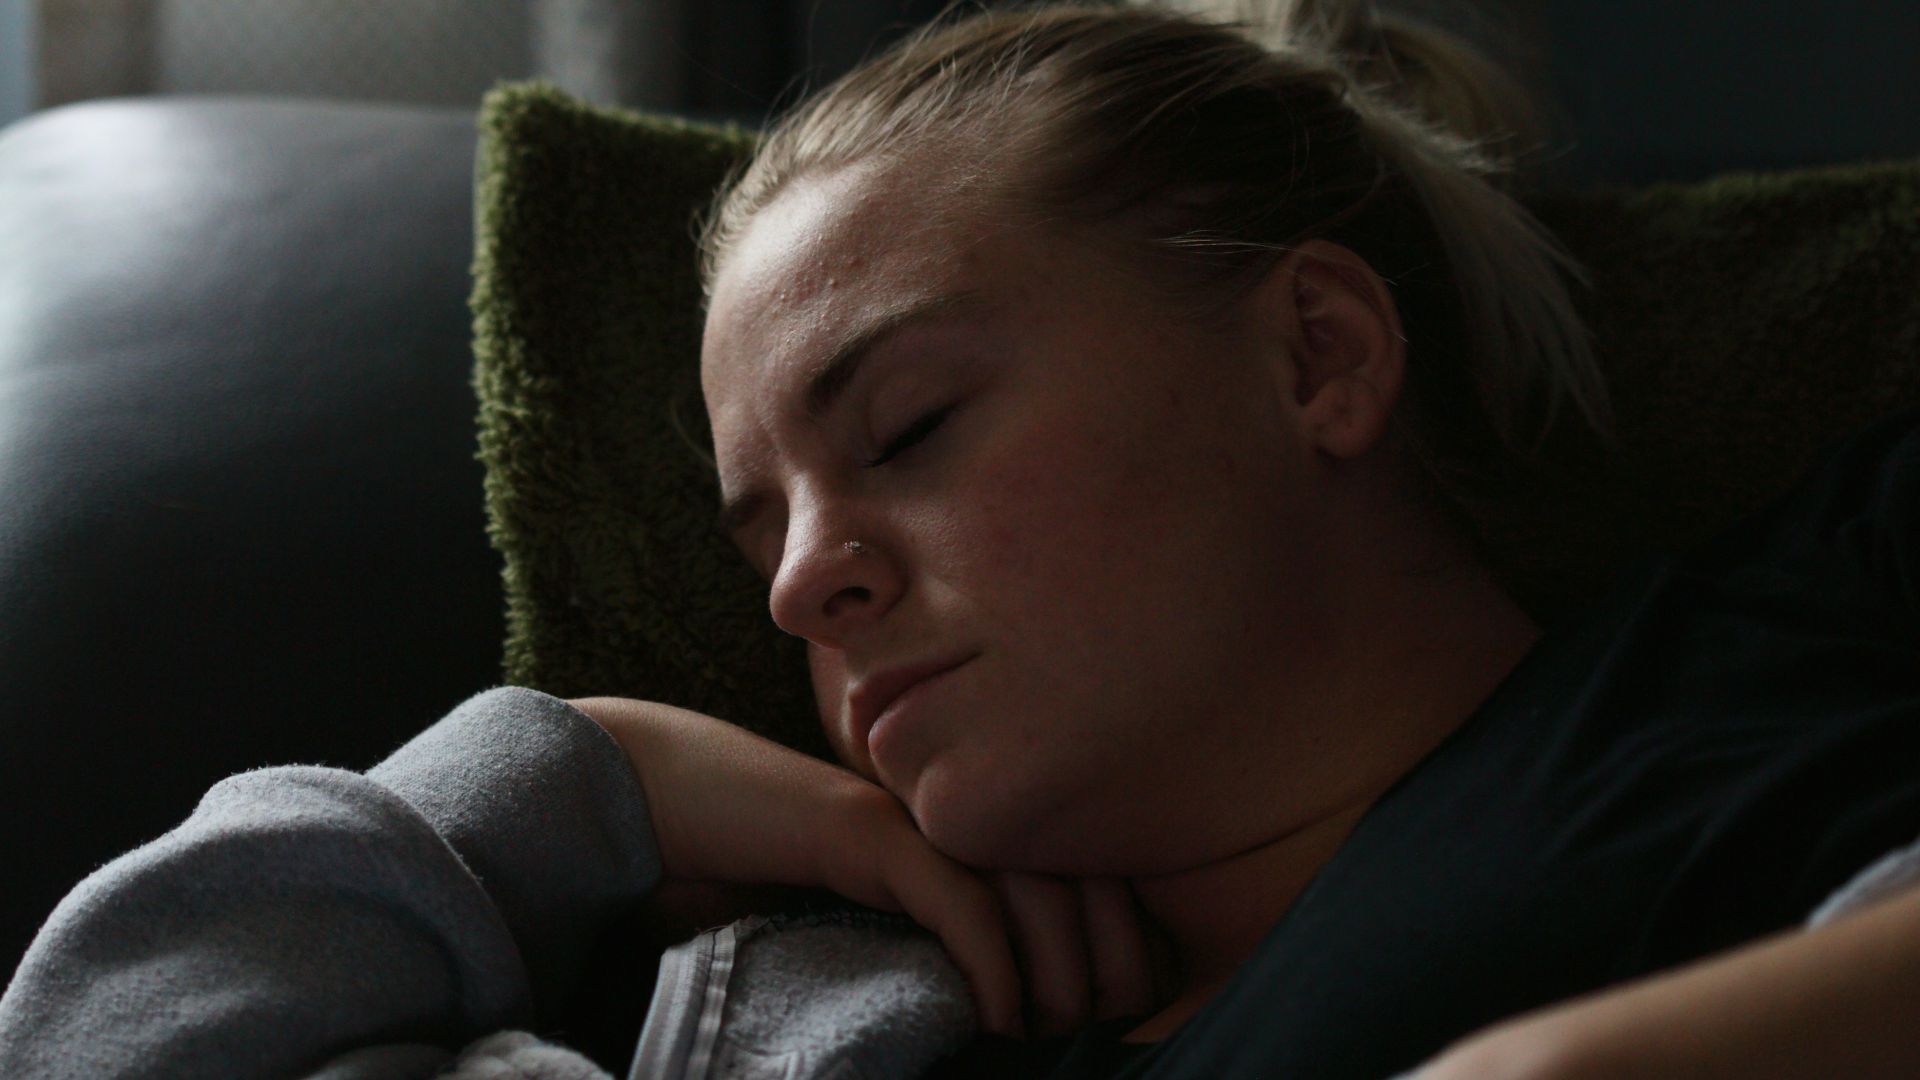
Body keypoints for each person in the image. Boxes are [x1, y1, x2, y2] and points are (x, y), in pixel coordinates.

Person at [3, 1, 1919, 1078]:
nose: (793, 584)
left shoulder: (1761, 654)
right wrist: (602, 776)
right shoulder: (826, 1014)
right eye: (759, 528)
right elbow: (101, 1050)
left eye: (905, 426)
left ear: (1317, 357)